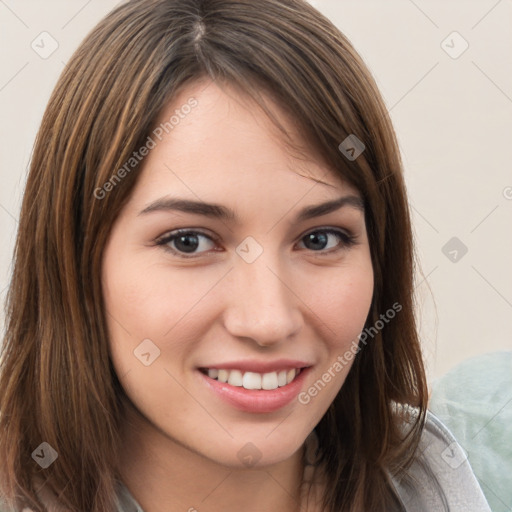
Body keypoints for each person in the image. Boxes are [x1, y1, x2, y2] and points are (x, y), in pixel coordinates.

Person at [0, 0, 491, 511]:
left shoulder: (456, 471)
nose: (267, 320)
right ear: (74, 259)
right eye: (189, 241)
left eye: (320, 239)